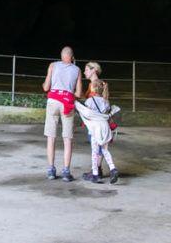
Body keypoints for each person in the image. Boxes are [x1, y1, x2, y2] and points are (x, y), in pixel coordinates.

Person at [42, 45, 83, 182]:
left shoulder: (52, 66)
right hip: (67, 103)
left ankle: (51, 170)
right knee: (67, 139)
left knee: (51, 137)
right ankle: (66, 171)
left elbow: (46, 87)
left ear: (61, 56)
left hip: (53, 101)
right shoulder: (77, 70)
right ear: (72, 57)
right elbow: (78, 93)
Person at [74, 79, 119, 184]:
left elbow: (86, 113)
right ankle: (113, 168)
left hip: (95, 128)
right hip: (105, 127)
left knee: (95, 152)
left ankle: (95, 174)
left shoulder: (89, 101)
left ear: (92, 88)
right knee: (104, 150)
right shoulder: (106, 101)